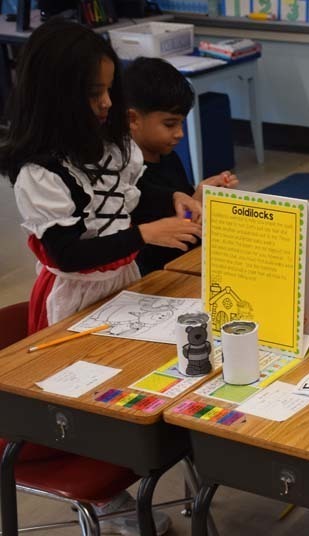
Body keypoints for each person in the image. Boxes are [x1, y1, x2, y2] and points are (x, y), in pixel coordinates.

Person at [0, 19, 200, 534]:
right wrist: (146, 233)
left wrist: (171, 199)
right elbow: (69, 253)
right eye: (94, 93)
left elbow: (127, 200)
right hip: (73, 297)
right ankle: (111, 498)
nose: (107, 103)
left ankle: (154, 461)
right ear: (57, 96)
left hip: (123, 281)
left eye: (110, 90)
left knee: (140, 376)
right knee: (95, 399)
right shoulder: (39, 172)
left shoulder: (108, 144)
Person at [124, 57, 239, 275]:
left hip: (187, 261)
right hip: (158, 273)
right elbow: (154, 248)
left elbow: (186, 221)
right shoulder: (126, 176)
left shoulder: (169, 158)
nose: (180, 134)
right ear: (133, 119)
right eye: (170, 124)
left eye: (181, 123)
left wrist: (199, 198)